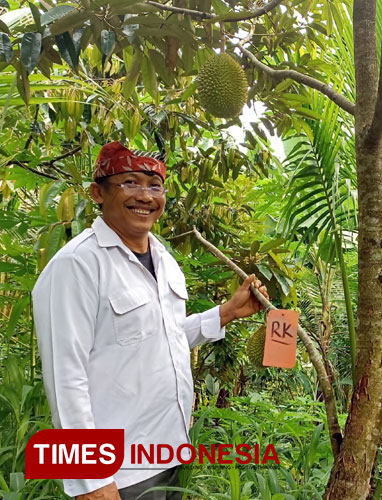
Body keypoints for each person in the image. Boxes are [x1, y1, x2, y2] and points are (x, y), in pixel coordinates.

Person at [31, 142, 269, 500]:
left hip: (168, 452)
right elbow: (65, 377)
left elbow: (162, 338)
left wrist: (226, 313)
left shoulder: (164, 260)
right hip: (117, 473)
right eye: (130, 183)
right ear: (98, 192)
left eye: (154, 186)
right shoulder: (76, 265)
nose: (145, 196)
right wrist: (90, 481)